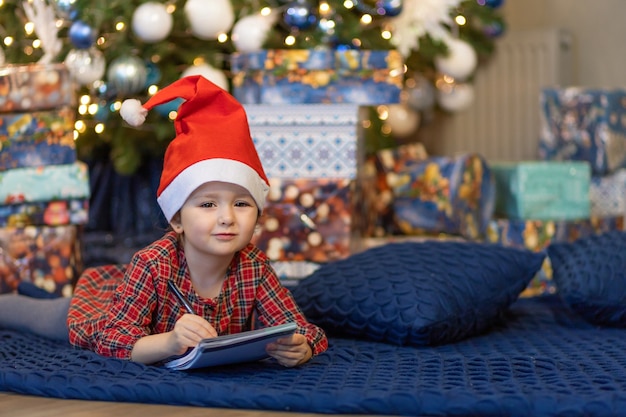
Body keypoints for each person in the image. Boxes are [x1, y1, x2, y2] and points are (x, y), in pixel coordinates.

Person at [0, 75, 328, 367]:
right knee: (39, 317)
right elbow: (112, 340)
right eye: (208, 204)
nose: (226, 217)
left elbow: (300, 328)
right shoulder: (154, 264)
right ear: (177, 220)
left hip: (134, 303)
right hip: (104, 311)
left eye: (241, 203)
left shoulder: (254, 266)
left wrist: (302, 347)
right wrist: (171, 342)